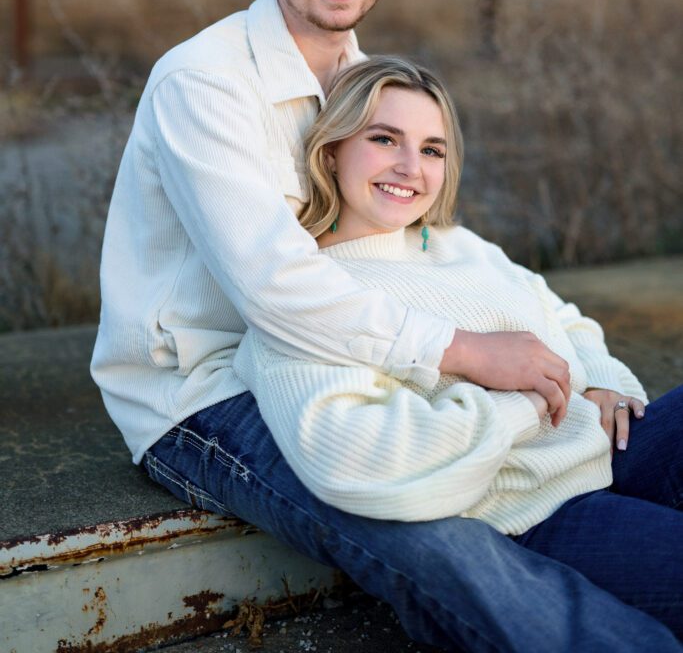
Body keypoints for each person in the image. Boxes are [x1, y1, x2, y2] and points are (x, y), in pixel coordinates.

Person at [91, 0, 682, 652]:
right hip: (207, 391)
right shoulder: (204, 82)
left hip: (351, 349)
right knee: (425, 530)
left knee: (531, 467)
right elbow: (273, 288)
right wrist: (465, 355)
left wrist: (580, 363)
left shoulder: (366, 80)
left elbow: (447, 246)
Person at [233, 54, 683, 641]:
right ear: (332, 149)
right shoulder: (309, 298)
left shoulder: (456, 244)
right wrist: (527, 402)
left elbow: (561, 317)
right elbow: (354, 454)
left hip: (610, 447)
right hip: (539, 508)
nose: (409, 166)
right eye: (384, 138)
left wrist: (601, 380)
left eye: (432, 149)